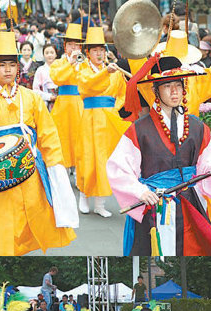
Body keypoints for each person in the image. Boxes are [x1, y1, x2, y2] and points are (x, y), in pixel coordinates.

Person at [0, 13, 78, 255]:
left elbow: (48, 134)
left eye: (12, 65)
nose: (7, 70)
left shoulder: (29, 97)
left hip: (28, 170)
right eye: (2, 65)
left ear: (18, 67)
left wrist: (56, 168)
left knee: (26, 221)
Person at [107, 55, 211, 256]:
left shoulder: (196, 126)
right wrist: (139, 191)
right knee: (156, 252)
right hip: (154, 204)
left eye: (178, 85)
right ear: (156, 91)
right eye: (167, 86)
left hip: (190, 202)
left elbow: (208, 158)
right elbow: (118, 167)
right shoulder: (139, 130)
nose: (174, 91)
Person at [75, 26, 130, 218]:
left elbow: (122, 93)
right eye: (95, 50)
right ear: (87, 53)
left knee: (106, 160)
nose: (99, 53)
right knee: (88, 157)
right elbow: (88, 85)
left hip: (108, 120)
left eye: (101, 50)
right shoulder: (82, 69)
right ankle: (83, 195)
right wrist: (105, 72)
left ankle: (100, 202)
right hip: (90, 119)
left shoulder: (115, 71)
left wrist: (114, 109)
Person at [50, 23, 84, 171]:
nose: (74, 48)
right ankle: (63, 170)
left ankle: (80, 171)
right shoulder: (58, 63)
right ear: (65, 46)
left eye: (77, 45)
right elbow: (57, 78)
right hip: (63, 105)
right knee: (63, 138)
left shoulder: (85, 64)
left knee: (80, 138)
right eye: (70, 45)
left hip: (81, 103)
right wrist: (70, 63)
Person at [32, 44, 58, 111]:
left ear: (56, 54)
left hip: (61, 100)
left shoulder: (61, 68)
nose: (49, 55)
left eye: (52, 53)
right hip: (46, 102)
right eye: (47, 53)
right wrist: (49, 97)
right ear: (43, 55)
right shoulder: (40, 70)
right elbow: (35, 90)